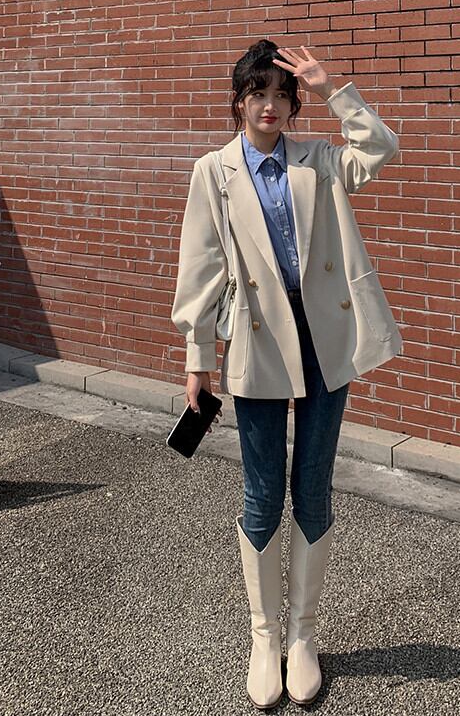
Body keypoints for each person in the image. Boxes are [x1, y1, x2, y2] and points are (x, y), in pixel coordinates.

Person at [171, 40, 402, 709]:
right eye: (258, 94)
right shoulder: (213, 172)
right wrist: (197, 358)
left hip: (325, 337)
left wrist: (333, 89)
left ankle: (302, 636)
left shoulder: (318, 159)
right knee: (262, 491)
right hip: (256, 341)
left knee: (313, 487)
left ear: (293, 104)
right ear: (239, 101)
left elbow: (380, 148)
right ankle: (263, 636)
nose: (269, 106)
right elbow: (201, 269)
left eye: (281, 95)